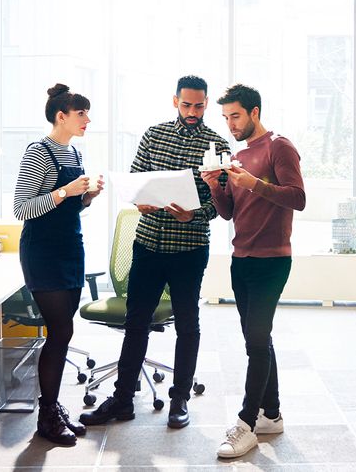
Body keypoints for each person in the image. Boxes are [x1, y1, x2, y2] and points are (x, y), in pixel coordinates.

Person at [80, 75, 231, 430]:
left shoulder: (217, 145)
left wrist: (195, 214)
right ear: (175, 101)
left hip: (189, 249)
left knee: (187, 324)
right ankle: (122, 400)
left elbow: (223, 204)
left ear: (206, 104)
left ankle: (180, 399)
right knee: (136, 322)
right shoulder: (153, 135)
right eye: (186, 105)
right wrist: (140, 201)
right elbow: (136, 181)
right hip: (148, 244)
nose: (192, 112)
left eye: (199, 106)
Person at [201, 84, 305, 459]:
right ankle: (271, 415)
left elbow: (298, 198)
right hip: (241, 258)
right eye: (225, 117)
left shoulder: (279, 147)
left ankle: (245, 424)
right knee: (256, 339)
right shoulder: (239, 155)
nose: (230, 124)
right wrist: (217, 188)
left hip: (272, 261)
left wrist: (255, 183)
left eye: (236, 116)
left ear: (254, 112)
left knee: (257, 341)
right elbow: (230, 212)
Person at [12, 83, 104, 446]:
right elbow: (22, 208)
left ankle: (53, 407)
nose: (87, 120)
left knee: (64, 332)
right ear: (61, 116)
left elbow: (70, 207)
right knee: (60, 331)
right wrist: (66, 190)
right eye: (81, 114)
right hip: (43, 252)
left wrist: (87, 196)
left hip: (70, 248)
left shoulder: (74, 153)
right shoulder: (38, 152)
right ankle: (47, 415)